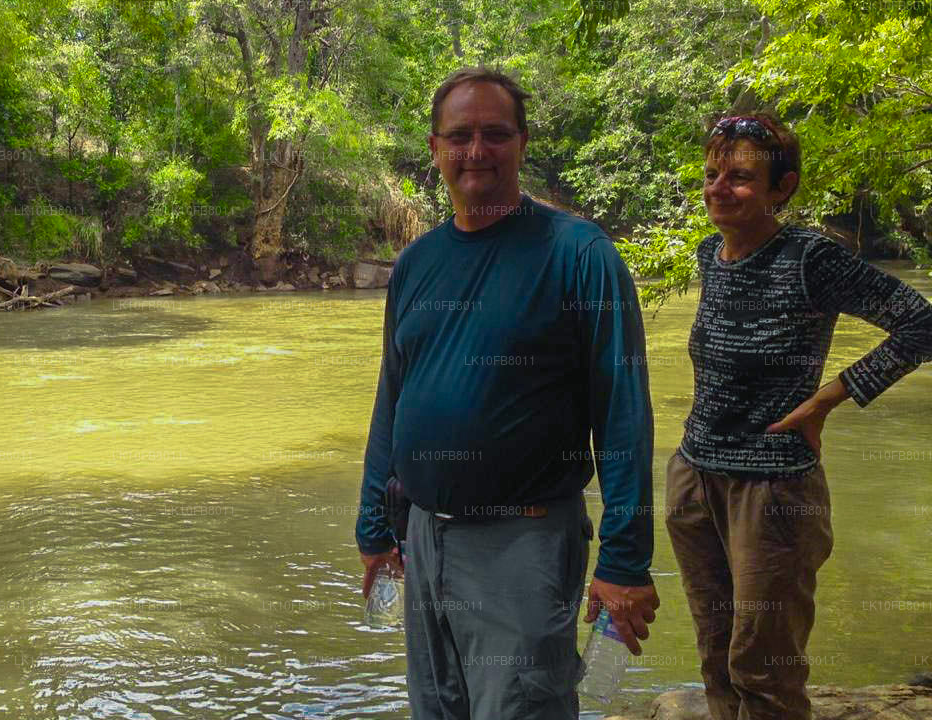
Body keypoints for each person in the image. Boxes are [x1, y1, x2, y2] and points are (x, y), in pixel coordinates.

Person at [354, 66, 660, 719]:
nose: (477, 150)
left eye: (495, 134)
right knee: (437, 709)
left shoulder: (578, 254)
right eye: (459, 136)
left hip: (525, 543)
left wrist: (626, 560)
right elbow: (393, 398)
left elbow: (624, 414)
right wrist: (374, 526)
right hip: (423, 538)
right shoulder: (416, 264)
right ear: (435, 148)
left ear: (522, 143)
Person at [665, 113, 932, 720]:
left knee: (763, 666)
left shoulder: (811, 257)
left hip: (773, 490)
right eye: (711, 174)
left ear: (781, 188)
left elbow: (922, 324)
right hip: (695, 478)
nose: (717, 188)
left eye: (739, 177)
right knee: (715, 654)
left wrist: (827, 399)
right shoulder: (711, 254)